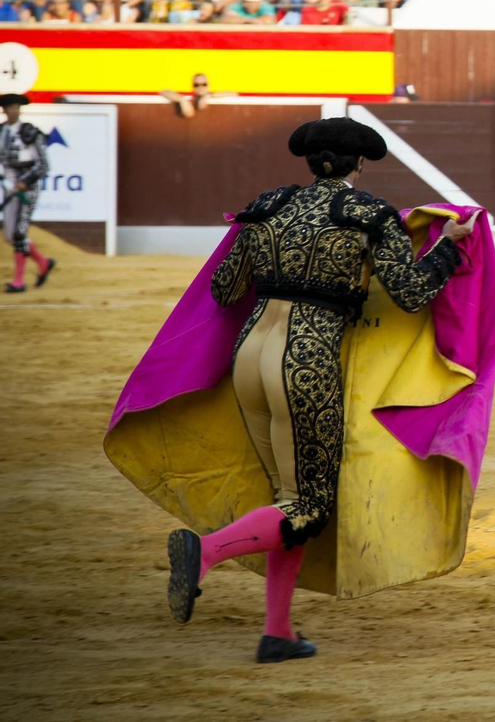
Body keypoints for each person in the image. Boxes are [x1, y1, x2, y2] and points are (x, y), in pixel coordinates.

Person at [144, 117, 477, 662]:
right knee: (309, 507)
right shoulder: (370, 214)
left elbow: (225, 290)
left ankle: (278, 632)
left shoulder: (268, 205)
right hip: (307, 359)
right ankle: (204, 552)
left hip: (250, 357)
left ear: (308, 161)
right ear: (360, 164)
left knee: (288, 499)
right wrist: (447, 247)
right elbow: (412, 292)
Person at [2, 93, 57, 294]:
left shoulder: (30, 132)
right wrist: (8, 182)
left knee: (18, 233)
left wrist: (25, 181)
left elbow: (44, 164)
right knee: (9, 235)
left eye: (17, 107)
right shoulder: (0, 132)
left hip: (28, 187)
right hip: (9, 186)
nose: (14, 110)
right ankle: (43, 263)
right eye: (10, 107)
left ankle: (18, 281)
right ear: (4, 110)